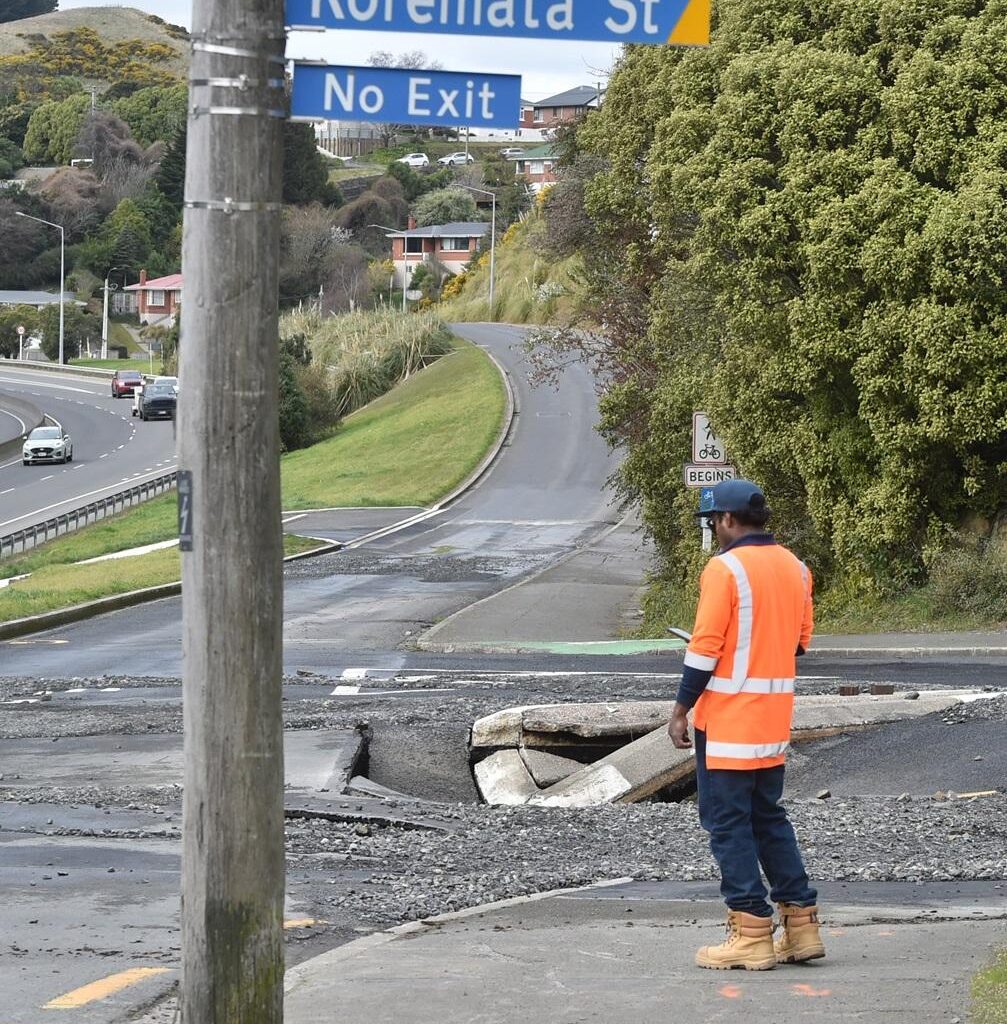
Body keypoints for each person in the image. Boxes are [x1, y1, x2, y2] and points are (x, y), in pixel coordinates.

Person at [667, 478, 824, 971]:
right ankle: (801, 927)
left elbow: (706, 648)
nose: (714, 530)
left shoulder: (724, 569)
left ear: (729, 519)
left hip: (729, 719)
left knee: (727, 823)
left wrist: (680, 709)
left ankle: (751, 930)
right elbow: (798, 643)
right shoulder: (797, 569)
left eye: (714, 521)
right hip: (773, 719)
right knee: (768, 818)